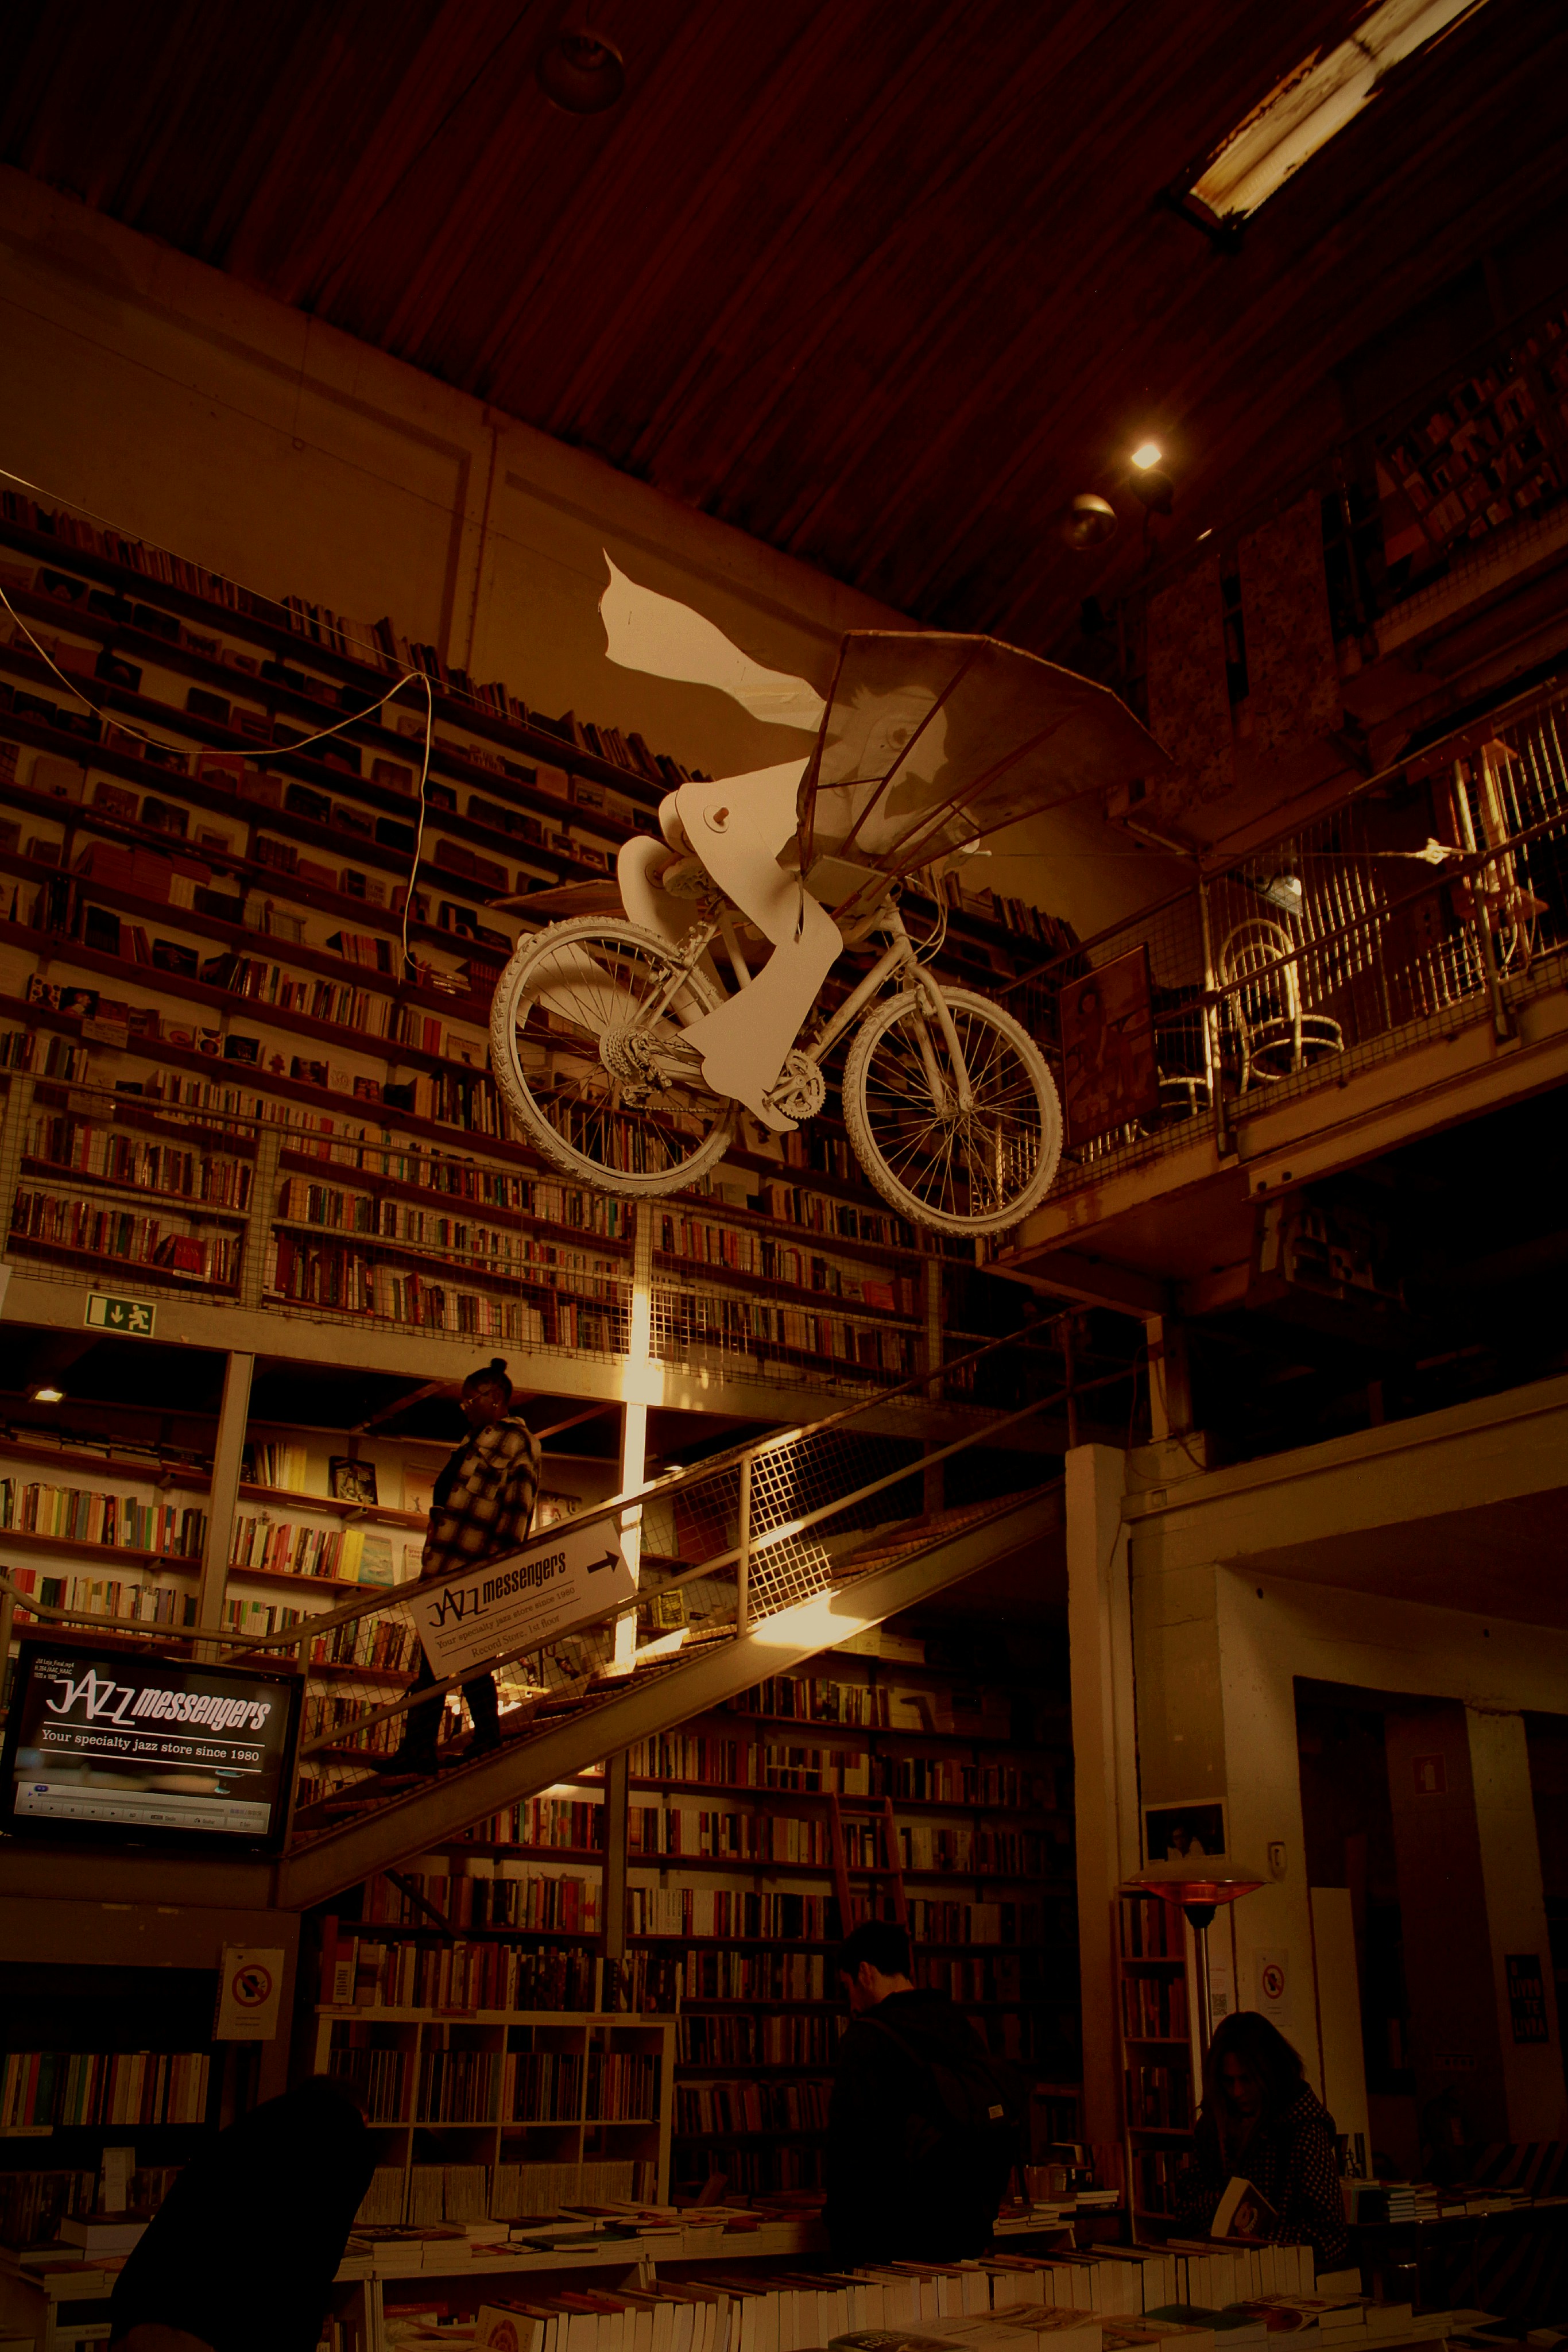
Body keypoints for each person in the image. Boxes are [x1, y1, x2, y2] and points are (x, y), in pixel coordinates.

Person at [108, 2074, 375, 2352]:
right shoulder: (345, 2140)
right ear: (362, 2116)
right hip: (213, 2323)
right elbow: (310, 2264)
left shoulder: (253, 2130)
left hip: (142, 2305)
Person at [824, 1917, 1020, 2264]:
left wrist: (840, 2231)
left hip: (892, 2235)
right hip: (967, 2223)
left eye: (847, 1986)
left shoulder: (866, 2038)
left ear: (865, 1972)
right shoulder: (957, 2024)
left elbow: (851, 2147)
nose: (851, 2002)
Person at [391, 1357, 541, 1773]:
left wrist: (497, 1569)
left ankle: (451, 1744)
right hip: (448, 1567)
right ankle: (426, 1748)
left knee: (465, 1657)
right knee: (442, 1660)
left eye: (470, 1400)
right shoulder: (473, 1441)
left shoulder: (516, 1443)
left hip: (475, 1569)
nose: (465, 1408)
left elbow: (517, 1509)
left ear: (495, 1398)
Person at [1174, 2009, 1349, 2267]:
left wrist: (1266, 2240)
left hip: (1285, 2272)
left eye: (1246, 2080)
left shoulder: (1304, 2132)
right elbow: (1184, 2212)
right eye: (1228, 2081)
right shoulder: (1213, 2126)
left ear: (1270, 2074)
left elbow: (1330, 2238)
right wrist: (1222, 2204)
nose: (1237, 2092)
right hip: (1221, 2267)